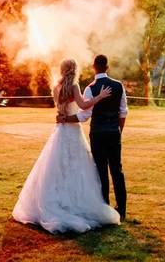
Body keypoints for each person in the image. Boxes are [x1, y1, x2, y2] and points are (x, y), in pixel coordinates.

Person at [12, 58, 119, 233]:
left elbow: (59, 109)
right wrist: (99, 97)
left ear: (62, 70)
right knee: (76, 167)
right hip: (72, 131)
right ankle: (74, 203)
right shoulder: (74, 87)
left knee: (57, 167)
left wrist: (63, 117)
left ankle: (56, 201)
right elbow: (84, 105)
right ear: (74, 70)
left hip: (60, 130)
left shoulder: (56, 88)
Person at [57, 54, 128, 220]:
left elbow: (84, 116)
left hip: (97, 134)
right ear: (107, 67)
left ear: (94, 67)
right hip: (113, 133)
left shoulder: (90, 88)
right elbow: (123, 112)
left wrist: (65, 119)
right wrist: (119, 130)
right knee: (117, 170)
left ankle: (104, 209)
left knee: (101, 171)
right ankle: (122, 209)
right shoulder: (119, 86)